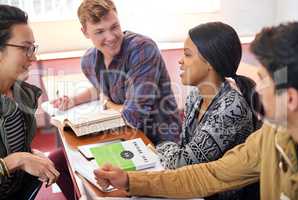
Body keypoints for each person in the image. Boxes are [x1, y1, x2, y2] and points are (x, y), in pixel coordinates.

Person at [94, 22, 298, 200]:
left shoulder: (232, 107)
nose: (258, 89)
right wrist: (129, 180)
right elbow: (210, 174)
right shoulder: (273, 136)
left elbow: (184, 160)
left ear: (290, 99)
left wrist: (159, 145)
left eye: (264, 81)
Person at [155, 22, 262, 200]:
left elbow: (182, 163)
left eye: (187, 55)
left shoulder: (230, 108)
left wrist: (159, 146)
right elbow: (183, 151)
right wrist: (173, 151)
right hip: (196, 190)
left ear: (210, 62)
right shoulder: (195, 96)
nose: (181, 61)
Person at [51, 0, 181, 145]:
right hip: (121, 134)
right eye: (100, 31)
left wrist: (107, 103)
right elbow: (102, 88)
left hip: (161, 141)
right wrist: (74, 100)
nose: (111, 37)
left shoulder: (142, 49)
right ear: (85, 32)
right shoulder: (88, 62)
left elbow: (134, 116)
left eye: (114, 27)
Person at [0, 5, 60, 199]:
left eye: (32, 48)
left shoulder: (20, 95)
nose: (33, 57)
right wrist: (17, 160)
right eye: (25, 48)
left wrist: (29, 154)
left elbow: (12, 147)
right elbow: (13, 159)